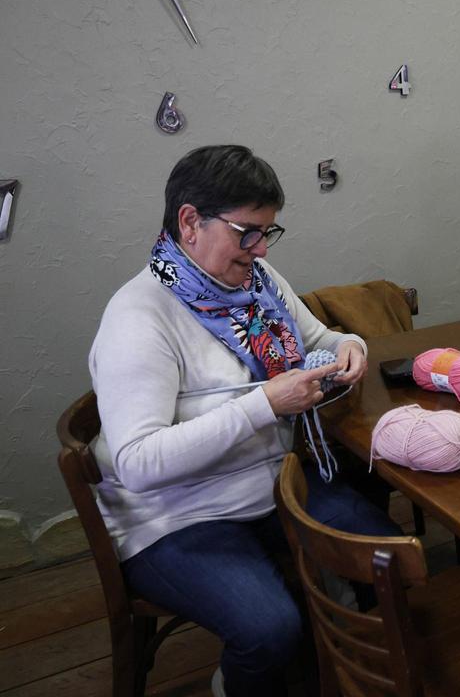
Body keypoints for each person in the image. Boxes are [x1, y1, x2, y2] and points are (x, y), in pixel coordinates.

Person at [89, 145, 398, 697]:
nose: (258, 249)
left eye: (267, 233)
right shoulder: (138, 318)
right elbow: (136, 463)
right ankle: (234, 683)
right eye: (246, 232)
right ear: (190, 222)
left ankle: (344, 650)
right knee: (269, 630)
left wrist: (350, 348)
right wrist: (265, 406)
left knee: (386, 555)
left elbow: (323, 340)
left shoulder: (255, 282)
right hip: (177, 515)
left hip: (269, 483)